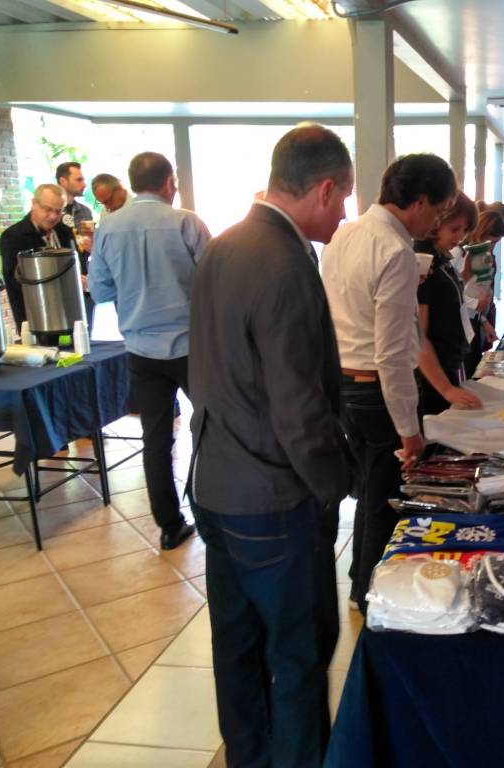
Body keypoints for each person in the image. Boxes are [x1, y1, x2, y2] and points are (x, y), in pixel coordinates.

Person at [188, 124, 354, 768]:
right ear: (323, 188)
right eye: (343, 198)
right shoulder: (284, 261)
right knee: (299, 651)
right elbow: (299, 407)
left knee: (237, 645)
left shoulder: (224, 244)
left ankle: (248, 758)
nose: (342, 214)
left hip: (215, 479)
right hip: (271, 495)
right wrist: (335, 485)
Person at [321, 153, 457, 611]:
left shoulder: (346, 233)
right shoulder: (395, 251)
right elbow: (392, 355)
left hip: (343, 384)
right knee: (385, 498)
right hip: (376, 391)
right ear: (420, 201)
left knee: (368, 490)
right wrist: (409, 430)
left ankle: (358, 581)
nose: (436, 223)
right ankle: (369, 596)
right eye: (438, 211)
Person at [89, 151, 210, 551]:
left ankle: (169, 525)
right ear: (169, 182)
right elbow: (215, 280)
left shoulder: (108, 228)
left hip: (140, 349)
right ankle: (211, 512)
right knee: (211, 427)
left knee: (155, 437)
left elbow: (100, 290)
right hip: (191, 346)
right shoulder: (186, 222)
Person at [413, 193, 483, 416]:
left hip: (448, 363)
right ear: (436, 220)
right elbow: (418, 336)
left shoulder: (441, 257)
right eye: (454, 229)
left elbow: (448, 299)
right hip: (432, 376)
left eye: (464, 230)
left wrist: (467, 274)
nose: (460, 237)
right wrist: (446, 388)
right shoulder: (423, 263)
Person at [0, 183, 77, 333]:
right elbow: (14, 280)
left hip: (69, 312)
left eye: (58, 211)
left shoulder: (64, 231)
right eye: (47, 209)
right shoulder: (13, 236)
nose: (53, 216)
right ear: (34, 203)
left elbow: (76, 263)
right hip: (34, 316)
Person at [461, 207, 504, 378]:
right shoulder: (463, 254)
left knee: (474, 365)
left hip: (475, 318)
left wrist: (484, 321)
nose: (493, 247)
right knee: (468, 369)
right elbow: (454, 293)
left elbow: (478, 289)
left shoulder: (482, 256)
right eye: (492, 242)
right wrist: (476, 304)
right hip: (463, 322)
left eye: (496, 243)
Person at [57, 161, 95, 327]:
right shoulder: (54, 213)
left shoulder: (85, 211)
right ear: (63, 181)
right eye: (79, 180)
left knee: (86, 328)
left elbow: (91, 246)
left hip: (84, 279)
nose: (84, 184)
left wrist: (91, 245)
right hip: (60, 282)